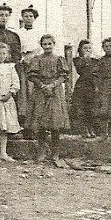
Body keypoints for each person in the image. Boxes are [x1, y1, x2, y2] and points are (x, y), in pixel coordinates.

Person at [27, 34, 71, 162]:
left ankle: (55, 152)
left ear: (54, 44)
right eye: (44, 44)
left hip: (55, 91)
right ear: (41, 45)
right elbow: (32, 75)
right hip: (41, 91)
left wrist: (52, 85)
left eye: (49, 44)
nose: (47, 46)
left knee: (55, 123)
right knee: (41, 122)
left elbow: (63, 76)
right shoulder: (37, 59)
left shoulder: (59, 59)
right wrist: (41, 85)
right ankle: (42, 151)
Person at [0, 42, 20, 162]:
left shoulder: (10, 67)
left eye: (3, 53)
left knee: (4, 128)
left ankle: (3, 152)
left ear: (7, 55)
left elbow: (15, 83)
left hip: (7, 100)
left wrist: (10, 93)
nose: (1, 56)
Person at [15, 4, 42, 124]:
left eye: (30, 16)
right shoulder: (18, 33)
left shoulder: (38, 32)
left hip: (34, 64)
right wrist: (23, 58)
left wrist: (32, 57)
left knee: (33, 90)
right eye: (25, 16)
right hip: (22, 63)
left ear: (34, 18)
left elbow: (40, 48)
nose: (28, 18)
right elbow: (17, 48)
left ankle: (34, 119)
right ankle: (23, 119)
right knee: (22, 91)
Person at [69, 40, 98, 137]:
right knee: (81, 108)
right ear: (80, 49)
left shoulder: (94, 61)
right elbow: (81, 71)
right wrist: (85, 59)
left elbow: (96, 72)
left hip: (92, 85)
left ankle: (91, 129)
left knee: (91, 108)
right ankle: (84, 130)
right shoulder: (77, 60)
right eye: (85, 48)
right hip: (82, 85)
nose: (87, 50)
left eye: (89, 48)